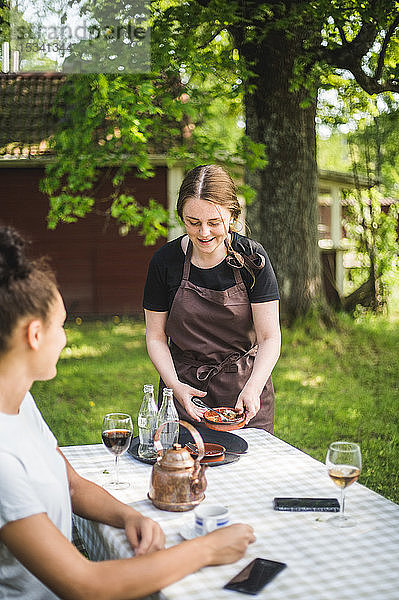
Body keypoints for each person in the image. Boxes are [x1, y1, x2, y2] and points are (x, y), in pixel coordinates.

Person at [0, 225, 255, 600]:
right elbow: (86, 585)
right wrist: (208, 549)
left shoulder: (19, 404)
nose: (65, 338)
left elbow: (71, 484)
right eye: (62, 325)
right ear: (34, 335)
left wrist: (128, 515)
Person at [144, 164, 281, 432]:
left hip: (246, 390)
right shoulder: (165, 262)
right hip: (184, 390)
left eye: (214, 222)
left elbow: (269, 337)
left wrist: (252, 388)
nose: (203, 233)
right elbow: (155, 336)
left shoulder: (253, 259)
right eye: (193, 222)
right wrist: (175, 387)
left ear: (232, 215)